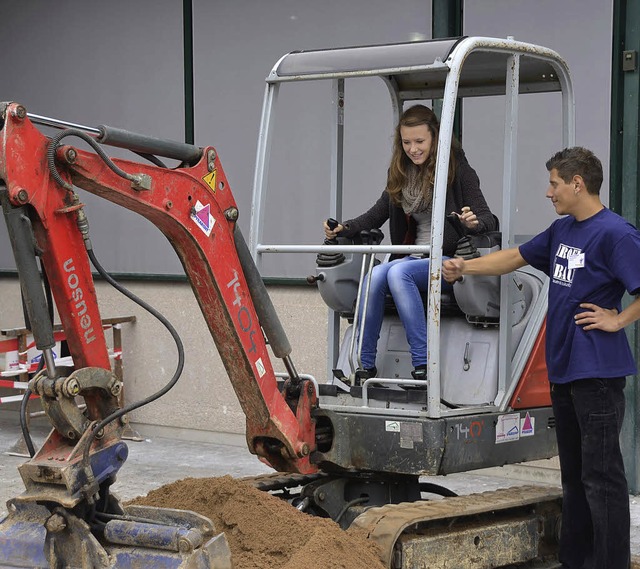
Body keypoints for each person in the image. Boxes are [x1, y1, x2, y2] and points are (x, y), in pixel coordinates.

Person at [442, 146, 640, 569]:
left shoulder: (616, 233)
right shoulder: (562, 230)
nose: (548, 192)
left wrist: (618, 319)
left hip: (598, 376)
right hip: (565, 370)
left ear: (577, 183)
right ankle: (576, 562)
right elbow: (514, 257)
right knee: (574, 476)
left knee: (601, 479)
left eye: (553, 183)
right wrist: (465, 267)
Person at [323, 104, 497, 385]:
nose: (413, 149)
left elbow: (490, 219)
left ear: (435, 139)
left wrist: (473, 223)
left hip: (449, 261)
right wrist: (345, 228)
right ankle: (364, 364)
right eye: (406, 143)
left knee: (396, 272)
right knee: (374, 276)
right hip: (415, 258)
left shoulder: (459, 171)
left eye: (420, 142)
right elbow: (375, 214)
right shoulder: (401, 175)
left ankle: (423, 363)